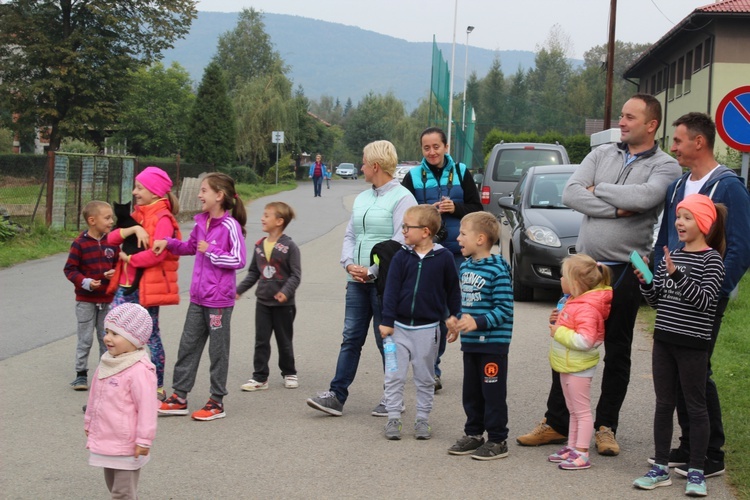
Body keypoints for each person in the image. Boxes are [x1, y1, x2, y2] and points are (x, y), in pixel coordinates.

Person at [517, 93, 682, 455]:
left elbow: (645, 198)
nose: (621, 123)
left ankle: (606, 426)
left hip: (627, 269)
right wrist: (616, 208)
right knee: (567, 341)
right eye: (621, 116)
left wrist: (602, 191)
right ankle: (557, 423)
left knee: (618, 350)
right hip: (585, 270)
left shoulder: (666, 166)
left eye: (629, 117)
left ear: (651, 124)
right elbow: (572, 193)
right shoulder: (601, 153)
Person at [651, 112, 750, 478]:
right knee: (678, 372)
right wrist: (660, 279)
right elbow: (666, 240)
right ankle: (689, 444)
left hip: (705, 299)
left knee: (698, 370)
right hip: (674, 297)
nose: (672, 147)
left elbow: (740, 247)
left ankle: (711, 453)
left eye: (677, 141)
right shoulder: (678, 187)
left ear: (698, 142)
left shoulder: (728, 186)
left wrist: (715, 291)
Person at [306, 139, 417, 417]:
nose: (361, 166)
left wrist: (373, 271)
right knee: (351, 338)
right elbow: (351, 234)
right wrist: (349, 264)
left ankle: (394, 398)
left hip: (385, 284)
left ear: (376, 166)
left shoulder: (403, 198)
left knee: (387, 341)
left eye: (364, 162)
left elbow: (400, 242)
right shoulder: (363, 197)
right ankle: (336, 395)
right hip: (357, 283)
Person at [633, 194, 726, 496]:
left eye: (687, 217)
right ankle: (660, 467)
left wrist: (676, 274)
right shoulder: (672, 253)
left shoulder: (712, 260)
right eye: (678, 216)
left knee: (696, 408)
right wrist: (646, 281)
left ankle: (696, 471)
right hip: (664, 341)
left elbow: (705, 302)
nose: (679, 223)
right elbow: (657, 301)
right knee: (663, 405)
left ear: (705, 223)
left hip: (693, 345)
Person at [154, 173, 247, 421]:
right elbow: (189, 247)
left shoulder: (230, 226)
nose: (199, 194)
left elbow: (239, 260)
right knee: (188, 346)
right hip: (197, 298)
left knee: (218, 352)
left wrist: (212, 250)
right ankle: (180, 397)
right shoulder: (201, 223)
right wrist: (168, 242)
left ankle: (216, 401)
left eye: (204, 190)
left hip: (218, 302)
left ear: (219, 196)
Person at [401, 126, 483, 392]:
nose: (432, 152)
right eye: (426, 147)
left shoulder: (461, 172)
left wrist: (455, 208)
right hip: (424, 253)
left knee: (449, 311)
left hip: (456, 253)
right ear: (421, 150)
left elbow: (477, 210)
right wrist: (425, 212)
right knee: (428, 309)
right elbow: (404, 212)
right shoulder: (413, 176)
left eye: (436, 146)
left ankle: (434, 367)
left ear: (446, 147)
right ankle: (429, 369)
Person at [379, 205, 461, 440]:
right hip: (397, 330)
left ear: (425, 231)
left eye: (407, 226)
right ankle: (393, 417)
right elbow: (391, 291)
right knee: (394, 375)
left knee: (425, 378)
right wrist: (387, 322)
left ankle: (422, 419)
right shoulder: (400, 256)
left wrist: (455, 316)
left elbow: (452, 290)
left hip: (427, 330)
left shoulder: (443, 257)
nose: (403, 230)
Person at [106, 166, 181, 400]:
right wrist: (134, 228)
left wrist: (130, 258)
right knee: (114, 330)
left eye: (140, 188)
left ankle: (156, 385)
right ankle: (118, 381)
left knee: (150, 336)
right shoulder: (138, 215)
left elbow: (157, 254)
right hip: (125, 285)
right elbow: (110, 238)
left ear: (155, 192)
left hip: (146, 288)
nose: (134, 192)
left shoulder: (163, 218)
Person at [446, 212, 513, 461]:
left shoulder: (497, 270)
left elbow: (504, 308)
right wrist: (458, 323)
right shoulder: (466, 266)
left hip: (493, 344)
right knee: (471, 392)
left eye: (463, 234)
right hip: (471, 343)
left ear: (481, 239)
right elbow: (467, 304)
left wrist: (478, 322)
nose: (458, 237)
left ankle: (498, 440)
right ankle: (474, 434)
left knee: (492, 393)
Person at [84, 303, 158, 500]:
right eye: (107, 331)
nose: (107, 337)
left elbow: (147, 409)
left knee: (122, 493)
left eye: (115, 334)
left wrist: (144, 439)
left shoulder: (140, 370)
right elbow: (95, 395)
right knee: (113, 487)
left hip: (128, 444)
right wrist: (89, 421)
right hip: (107, 438)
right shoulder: (108, 361)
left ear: (135, 339)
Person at [547, 255, 612, 471]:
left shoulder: (587, 308)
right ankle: (573, 447)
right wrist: (558, 321)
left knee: (581, 411)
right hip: (568, 364)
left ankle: (582, 453)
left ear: (576, 282)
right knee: (572, 409)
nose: (560, 279)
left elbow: (586, 340)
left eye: (563, 276)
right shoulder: (574, 301)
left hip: (579, 366)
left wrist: (560, 331)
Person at [236, 201, 302, 391]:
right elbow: (253, 273)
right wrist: (238, 290)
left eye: (267, 215)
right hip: (263, 302)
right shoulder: (259, 246)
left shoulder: (290, 247)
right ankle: (260, 377)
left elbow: (296, 275)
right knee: (261, 340)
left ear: (279, 221)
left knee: (284, 340)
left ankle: (289, 372)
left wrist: (285, 292)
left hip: (284, 305)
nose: (262, 219)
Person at [64, 200, 118, 391]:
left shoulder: (113, 242)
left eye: (112, 217)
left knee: (107, 338)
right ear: (92, 220)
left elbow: (119, 264)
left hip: (107, 299)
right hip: (86, 300)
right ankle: (80, 374)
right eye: (107, 217)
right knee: (85, 338)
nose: (111, 221)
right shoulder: (79, 244)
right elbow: (70, 269)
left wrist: (115, 273)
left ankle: (107, 372)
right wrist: (86, 282)